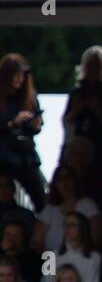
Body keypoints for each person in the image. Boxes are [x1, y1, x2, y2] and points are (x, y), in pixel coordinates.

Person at [61, 46, 102, 180]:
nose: (93, 69)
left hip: (100, 149)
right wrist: (78, 108)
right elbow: (66, 120)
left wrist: (96, 108)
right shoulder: (77, 92)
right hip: (77, 150)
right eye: (90, 65)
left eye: (97, 66)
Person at [0, 53, 46, 209]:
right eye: (15, 75)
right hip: (4, 156)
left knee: (41, 198)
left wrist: (35, 124)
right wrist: (13, 123)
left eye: (21, 75)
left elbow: (36, 127)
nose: (19, 79)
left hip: (26, 157)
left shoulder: (30, 97)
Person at [32, 165, 102, 253]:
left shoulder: (88, 205)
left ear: (75, 180)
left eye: (68, 177)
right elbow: (36, 240)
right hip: (52, 260)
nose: (64, 183)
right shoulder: (50, 209)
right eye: (59, 179)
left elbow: (96, 240)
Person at [37, 212, 101, 282]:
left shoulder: (94, 257)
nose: (67, 228)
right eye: (65, 225)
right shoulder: (51, 256)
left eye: (72, 225)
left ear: (83, 228)